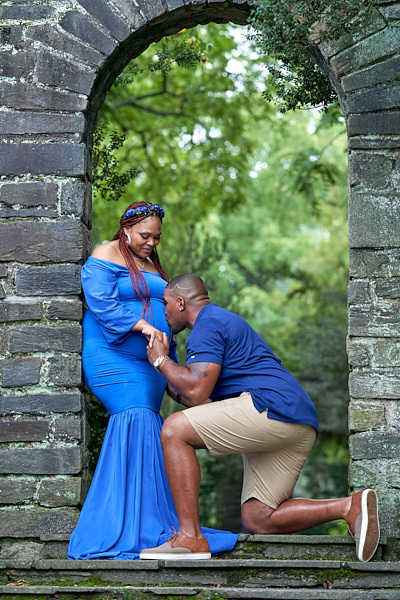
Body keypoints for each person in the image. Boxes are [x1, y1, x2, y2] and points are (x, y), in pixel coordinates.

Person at [140, 273, 380, 563]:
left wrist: (160, 360)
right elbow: (194, 397)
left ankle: (190, 537)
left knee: (174, 429)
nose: (163, 310)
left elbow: (196, 388)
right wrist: (165, 375)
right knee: (259, 518)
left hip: (271, 407)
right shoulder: (220, 321)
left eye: (165, 303)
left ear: (180, 303)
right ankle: (349, 507)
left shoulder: (208, 323)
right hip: (297, 420)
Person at [67, 205, 238, 560]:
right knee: (136, 415)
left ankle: (158, 525)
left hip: (150, 362)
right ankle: (129, 527)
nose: (151, 242)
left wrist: (171, 360)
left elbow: (169, 309)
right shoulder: (105, 254)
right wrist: (146, 328)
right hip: (112, 356)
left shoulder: (151, 265)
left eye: (157, 236)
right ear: (126, 229)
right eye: (145, 235)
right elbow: (101, 303)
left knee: (149, 423)